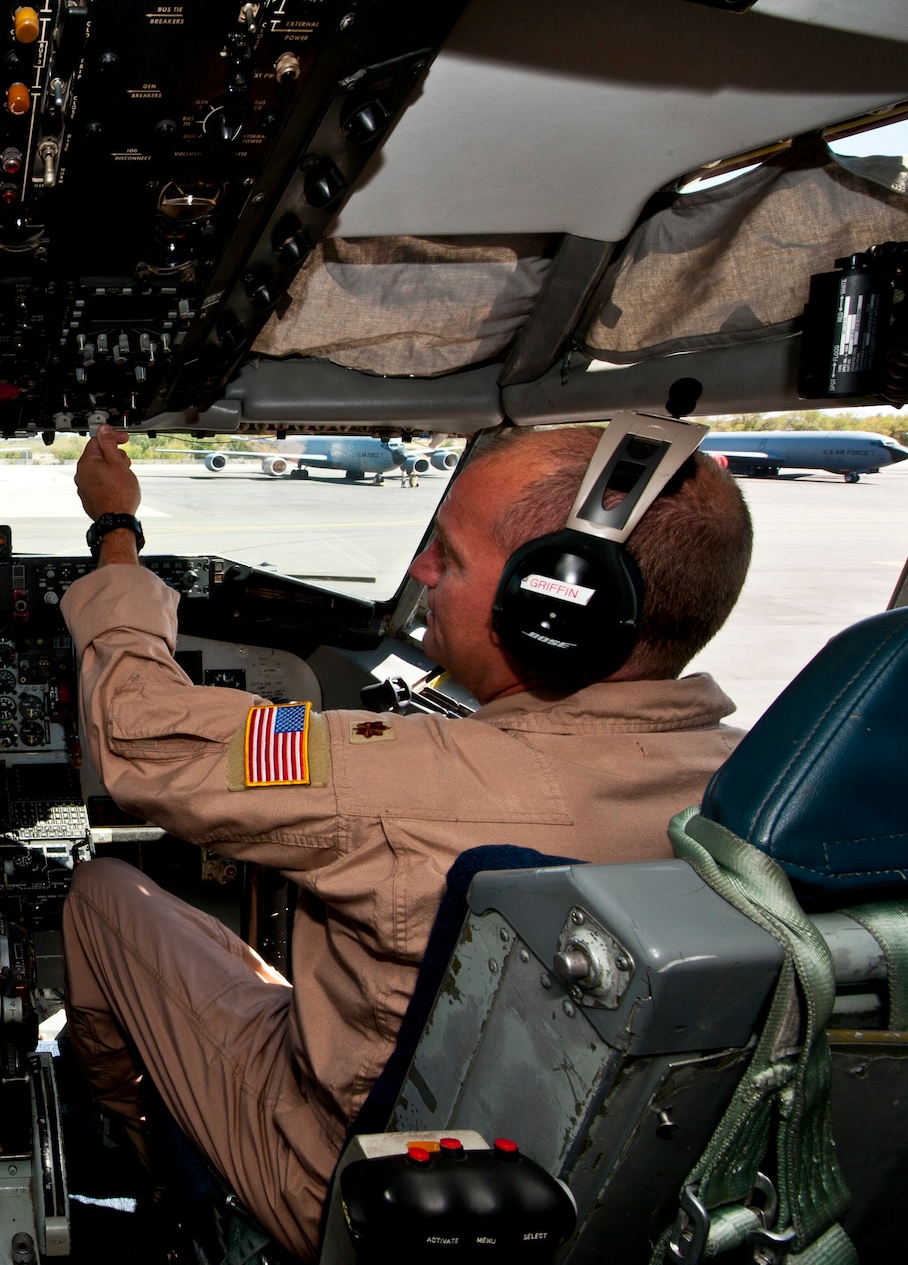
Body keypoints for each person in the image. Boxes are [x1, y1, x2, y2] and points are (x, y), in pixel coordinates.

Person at [58, 423, 753, 1256]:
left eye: (449, 559)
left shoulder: (404, 780)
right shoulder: (753, 787)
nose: (421, 571)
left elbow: (141, 738)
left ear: (555, 609)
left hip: (341, 1178)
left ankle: (164, 1174)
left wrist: (116, 535)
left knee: (101, 894)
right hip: (573, 1184)